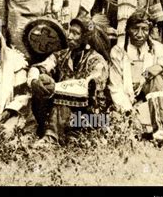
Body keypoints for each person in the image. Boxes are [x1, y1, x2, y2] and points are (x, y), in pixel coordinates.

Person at [108, 9, 163, 143]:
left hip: (157, 97)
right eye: (135, 29)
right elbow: (115, 86)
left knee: (156, 77)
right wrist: (127, 109)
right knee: (128, 123)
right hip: (130, 99)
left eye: (144, 29)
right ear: (128, 30)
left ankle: (162, 131)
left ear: (149, 30)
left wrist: (152, 72)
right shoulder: (118, 51)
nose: (140, 34)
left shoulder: (157, 48)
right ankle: (151, 129)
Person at [28, 15, 110, 145]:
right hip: (62, 114)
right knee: (39, 86)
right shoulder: (62, 55)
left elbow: (88, 86)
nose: (69, 36)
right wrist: (34, 80)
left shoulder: (97, 61)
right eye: (69, 31)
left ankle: (52, 139)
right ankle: (30, 132)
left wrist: (56, 88)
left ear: (85, 38)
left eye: (75, 33)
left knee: (63, 98)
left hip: (89, 114)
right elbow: (41, 67)